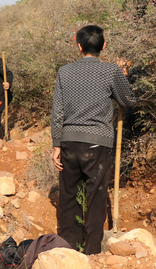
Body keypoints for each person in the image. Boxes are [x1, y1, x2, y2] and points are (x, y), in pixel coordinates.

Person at [51, 25, 136, 255]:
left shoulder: (64, 72)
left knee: (68, 196)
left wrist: (56, 145)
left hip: (68, 141)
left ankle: (68, 250)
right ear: (103, 46)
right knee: (96, 197)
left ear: (79, 46)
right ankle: (92, 252)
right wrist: (124, 77)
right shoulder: (111, 71)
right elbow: (129, 101)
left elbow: (57, 112)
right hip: (99, 144)